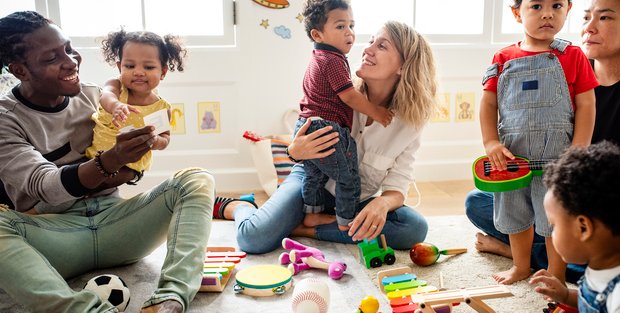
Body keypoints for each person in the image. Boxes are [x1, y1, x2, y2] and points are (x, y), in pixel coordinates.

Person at [0, 11, 213, 313]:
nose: (71, 61)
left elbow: (131, 168)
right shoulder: (6, 119)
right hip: (55, 234)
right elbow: (44, 186)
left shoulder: (92, 96)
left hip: (116, 223)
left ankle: (169, 300)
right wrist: (111, 161)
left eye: (69, 48)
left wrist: (140, 151)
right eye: (52, 58)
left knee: (196, 178)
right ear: (20, 70)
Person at [214, 20, 437, 254]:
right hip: (311, 183)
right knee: (253, 239)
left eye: (382, 46)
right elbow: (299, 140)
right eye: (371, 41)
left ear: (403, 66)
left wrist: (383, 203)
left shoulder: (410, 122)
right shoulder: (339, 90)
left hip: (356, 200)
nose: (367, 49)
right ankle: (239, 206)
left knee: (414, 228)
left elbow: (398, 184)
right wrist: (294, 151)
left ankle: (305, 230)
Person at [466, 0, 620, 285]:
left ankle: (557, 272)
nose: (548, 13)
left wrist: (578, 149)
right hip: (514, 161)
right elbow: (488, 104)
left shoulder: (572, 55)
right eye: (537, 6)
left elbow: (586, 104)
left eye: (556, 5)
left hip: (557, 160)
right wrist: (491, 142)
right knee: (510, 213)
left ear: (567, 9)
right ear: (517, 13)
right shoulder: (502, 58)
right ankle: (520, 265)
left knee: (554, 221)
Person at [295, 0, 393, 231]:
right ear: (317, 34)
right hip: (325, 128)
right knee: (348, 177)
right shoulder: (333, 60)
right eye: (340, 26)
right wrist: (377, 112)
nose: (349, 32)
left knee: (315, 175)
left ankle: (311, 214)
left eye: (352, 25)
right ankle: (347, 221)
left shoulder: (318, 57)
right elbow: (349, 96)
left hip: (308, 124)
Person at [529, 142, 620, 313]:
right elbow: (591, 299)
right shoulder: (601, 263)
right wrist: (565, 296)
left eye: (554, 225)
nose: (551, 233)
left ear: (583, 228)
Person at [85, 29, 185, 181]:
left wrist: (155, 141)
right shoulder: (116, 87)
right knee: (92, 187)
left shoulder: (161, 108)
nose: (138, 72)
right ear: (120, 67)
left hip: (132, 166)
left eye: (148, 67)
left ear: (163, 72)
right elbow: (106, 95)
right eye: (130, 66)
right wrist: (116, 105)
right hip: (98, 159)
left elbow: (165, 138)